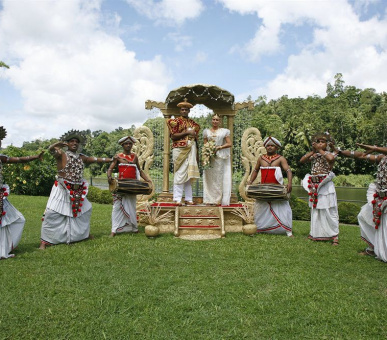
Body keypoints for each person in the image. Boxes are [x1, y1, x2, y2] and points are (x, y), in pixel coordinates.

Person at [39, 130, 112, 249]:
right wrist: (56, 144)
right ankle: (45, 241)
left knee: (85, 211)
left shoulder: (81, 157)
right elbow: (51, 150)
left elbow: (94, 159)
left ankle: (83, 234)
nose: (74, 143)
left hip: (77, 189)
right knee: (52, 213)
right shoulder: (61, 154)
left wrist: (110, 160)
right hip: (62, 188)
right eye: (72, 141)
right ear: (67, 143)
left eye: (77, 142)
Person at [337, 143, 387, 261]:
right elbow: (361, 156)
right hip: (380, 196)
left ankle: (381, 250)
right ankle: (374, 246)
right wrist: (341, 152)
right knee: (363, 215)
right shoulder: (382, 157)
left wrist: (375, 148)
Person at [0, 126, 44, 258]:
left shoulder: (1, 158)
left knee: (18, 219)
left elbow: (19, 160)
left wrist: (35, 157)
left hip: (1, 197)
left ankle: (6, 246)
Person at [247, 136, 293, 237]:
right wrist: (250, 181)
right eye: (268, 146)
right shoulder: (261, 158)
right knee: (261, 208)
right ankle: (259, 228)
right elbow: (255, 170)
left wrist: (289, 182)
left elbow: (288, 170)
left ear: (276, 147)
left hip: (277, 189)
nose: (270, 147)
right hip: (263, 189)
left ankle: (288, 231)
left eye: (272, 145)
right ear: (265, 147)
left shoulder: (280, 158)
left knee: (282, 208)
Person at [107, 136, 152, 237]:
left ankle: (134, 228)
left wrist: (147, 180)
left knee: (131, 207)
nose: (128, 145)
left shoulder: (135, 157)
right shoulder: (118, 156)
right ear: (122, 145)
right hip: (121, 186)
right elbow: (110, 168)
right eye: (126, 144)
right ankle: (114, 230)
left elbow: (140, 171)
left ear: (132, 145)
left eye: (130, 144)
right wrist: (109, 176)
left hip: (132, 186)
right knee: (116, 208)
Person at [300, 133, 339, 245]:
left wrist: (320, 150)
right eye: (318, 142)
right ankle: (315, 233)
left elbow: (330, 159)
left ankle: (334, 236)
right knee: (316, 210)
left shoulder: (330, 153)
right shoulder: (315, 155)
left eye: (323, 142)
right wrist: (313, 151)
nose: (320, 144)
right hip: (314, 184)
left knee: (328, 209)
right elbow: (302, 160)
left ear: (327, 144)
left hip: (325, 185)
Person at [166, 98, 200, 205]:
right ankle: (177, 198)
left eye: (186, 109)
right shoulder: (175, 122)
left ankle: (189, 199)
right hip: (180, 149)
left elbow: (196, 139)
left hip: (192, 149)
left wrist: (197, 154)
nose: (184, 111)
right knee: (180, 173)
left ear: (189, 111)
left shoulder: (193, 124)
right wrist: (186, 132)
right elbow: (173, 136)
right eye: (182, 109)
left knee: (189, 174)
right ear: (180, 111)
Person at [202, 113, 232, 206]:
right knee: (209, 178)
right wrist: (207, 152)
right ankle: (208, 199)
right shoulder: (206, 132)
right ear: (211, 120)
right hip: (209, 157)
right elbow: (205, 145)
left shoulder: (224, 131)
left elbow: (229, 144)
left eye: (217, 120)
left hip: (219, 157)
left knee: (218, 178)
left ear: (220, 121)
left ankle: (217, 200)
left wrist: (220, 147)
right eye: (213, 119)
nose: (215, 121)